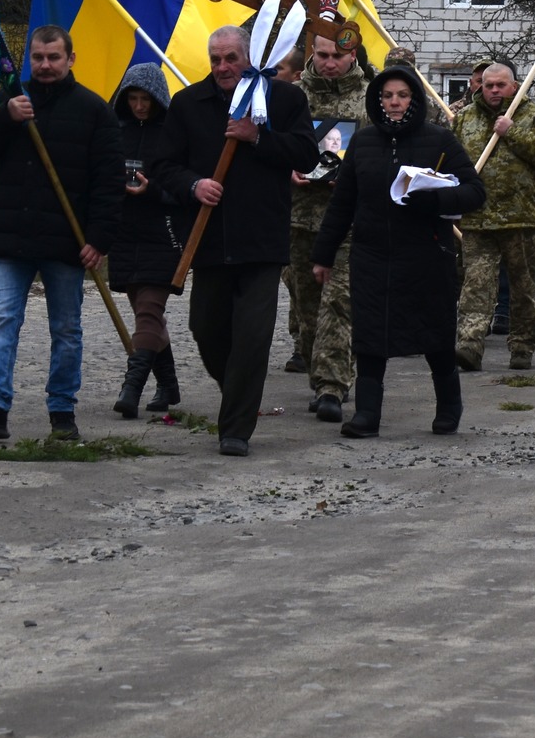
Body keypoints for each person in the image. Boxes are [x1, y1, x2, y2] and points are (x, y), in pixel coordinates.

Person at [150, 25, 318, 457]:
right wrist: (193, 185)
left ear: (250, 56)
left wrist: (257, 137)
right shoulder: (189, 104)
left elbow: (306, 155)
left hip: (261, 239)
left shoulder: (285, 99)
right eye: (216, 59)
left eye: (231, 58)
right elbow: (164, 165)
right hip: (207, 239)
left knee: (252, 335)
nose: (223, 67)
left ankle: (236, 429)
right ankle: (239, 390)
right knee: (205, 328)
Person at [0, 26, 122, 442]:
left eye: (53, 57)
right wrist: (4, 117)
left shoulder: (94, 110)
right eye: (38, 58)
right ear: (29, 59)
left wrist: (99, 239)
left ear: (71, 59)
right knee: (2, 320)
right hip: (10, 238)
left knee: (66, 329)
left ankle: (62, 412)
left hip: (66, 241)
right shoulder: (11, 102)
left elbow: (109, 183)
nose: (45, 65)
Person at [312, 66, 486, 436]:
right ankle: (367, 414)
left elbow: (474, 191)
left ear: (415, 100)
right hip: (372, 254)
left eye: (402, 95)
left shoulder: (439, 140)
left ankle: (448, 406)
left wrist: (434, 198)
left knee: (434, 332)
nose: (394, 102)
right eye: (387, 95)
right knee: (370, 334)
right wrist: (323, 254)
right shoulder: (362, 141)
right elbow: (343, 203)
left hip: (426, 254)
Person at [452, 60, 535, 372]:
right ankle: (469, 345)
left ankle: (522, 347)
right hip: (477, 219)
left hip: (520, 219)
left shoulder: (534, 115)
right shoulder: (465, 118)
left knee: (523, 288)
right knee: (475, 285)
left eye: (501, 85)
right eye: (489, 85)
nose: (495, 90)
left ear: (514, 85)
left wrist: (512, 132)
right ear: (480, 87)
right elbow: (451, 161)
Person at [288, 33, 369, 422]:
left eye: (338, 55)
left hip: (350, 221)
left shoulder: (371, 97)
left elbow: (383, 151)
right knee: (307, 310)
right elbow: (268, 144)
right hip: (300, 217)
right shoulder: (290, 96)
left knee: (339, 303)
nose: (329, 62)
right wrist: (287, 167)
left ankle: (332, 387)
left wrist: (354, 174)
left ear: (352, 53)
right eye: (322, 55)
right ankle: (317, 374)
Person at [107, 63, 189, 418]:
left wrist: (153, 190)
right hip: (124, 233)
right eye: (134, 99)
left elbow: (183, 186)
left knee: (149, 311)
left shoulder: (173, 136)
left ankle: (132, 387)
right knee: (146, 312)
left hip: (163, 233)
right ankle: (168, 385)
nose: (140, 106)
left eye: (146, 99)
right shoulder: (114, 133)